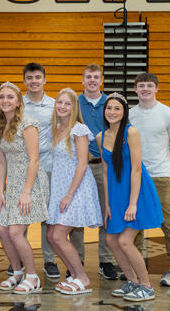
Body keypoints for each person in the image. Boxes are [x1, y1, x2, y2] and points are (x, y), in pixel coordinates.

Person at [98, 93, 163, 302]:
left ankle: (146, 286)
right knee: (110, 239)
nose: (112, 112)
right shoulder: (101, 136)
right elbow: (106, 171)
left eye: (117, 108)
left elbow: (136, 169)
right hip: (116, 194)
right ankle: (132, 281)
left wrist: (133, 203)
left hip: (136, 191)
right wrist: (107, 204)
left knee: (125, 241)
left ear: (124, 111)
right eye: (109, 108)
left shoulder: (131, 132)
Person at [129, 73, 170, 287]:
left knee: (167, 223)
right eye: (141, 86)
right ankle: (137, 265)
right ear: (135, 89)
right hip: (136, 175)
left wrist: (167, 172)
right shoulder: (130, 114)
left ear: (156, 89)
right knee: (136, 222)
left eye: (149, 86)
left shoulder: (169, 114)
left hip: (160, 176)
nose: (145, 89)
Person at [46, 87, 102, 295]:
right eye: (59, 102)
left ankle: (83, 278)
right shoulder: (56, 128)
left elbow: (82, 164)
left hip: (76, 188)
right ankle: (75, 275)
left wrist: (69, 194)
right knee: (51, 236)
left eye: (67, 103)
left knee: (59, 236)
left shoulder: (78, 129)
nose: (62, 106)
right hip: (60, 187)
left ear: (74, 107)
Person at [0, 82, 49, 294]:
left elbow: (34, 160)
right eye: (2, 97)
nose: (5, 101)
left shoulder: (28, 124)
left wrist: (26, 191)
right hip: (13, 184)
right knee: (3, 230)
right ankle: (17, 272)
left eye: (10, 97)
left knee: (16, 232)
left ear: (18, 102)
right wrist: (1, 190)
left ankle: (33, 277)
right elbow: (1, 161)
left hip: (30, 181)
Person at [77, 64, 118, 280]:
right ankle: (77, 261)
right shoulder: (75, 102)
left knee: (106, 214)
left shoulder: (110, 104)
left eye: (96, 77)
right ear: (82, 80)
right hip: (80, 166)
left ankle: (105, 261)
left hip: (103, 165)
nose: (92, 80)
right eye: (88, 77)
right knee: (76, 215)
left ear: (101, 80)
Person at [21, 62, 60, 279]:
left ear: (45, 80)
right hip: (24, 168)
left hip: (48, 166)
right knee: (22, 213)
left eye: (38, 77)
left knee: (48, 216)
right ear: (24, 81)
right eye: (30, 78)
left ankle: (49, 260)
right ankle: (18, 259)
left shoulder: (54, 105)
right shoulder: (18, 105)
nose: (34, 81)